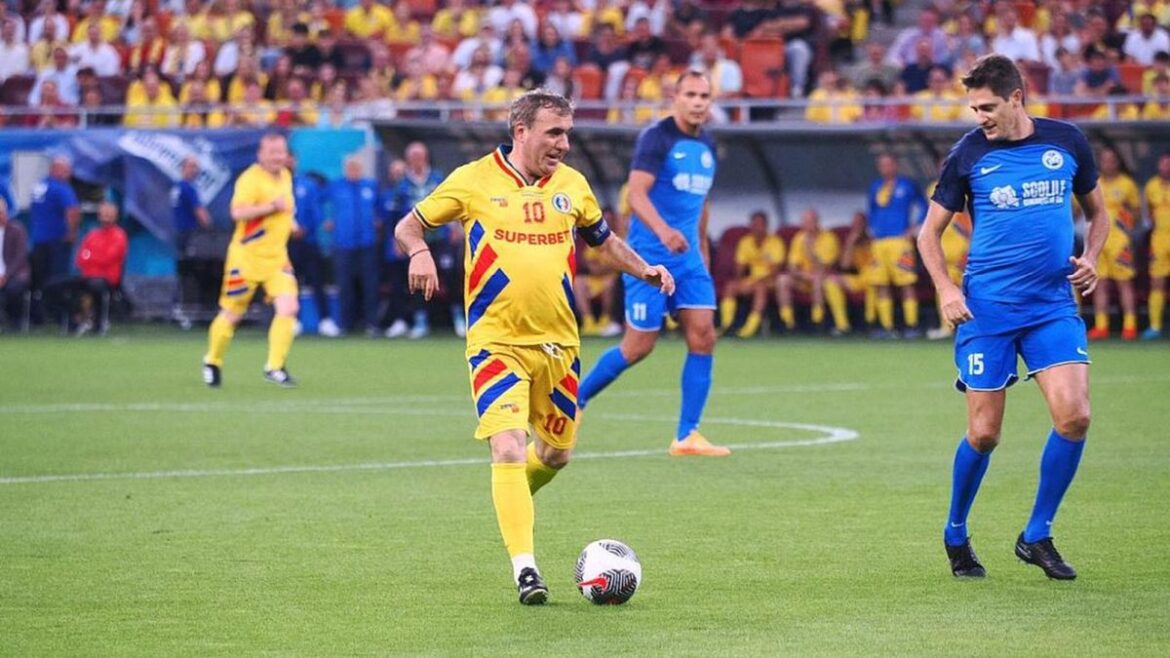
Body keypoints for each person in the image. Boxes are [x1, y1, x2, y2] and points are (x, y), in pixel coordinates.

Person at [393, 89, 674, 605]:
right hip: (496, 342)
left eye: (568, 133)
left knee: (555, 454)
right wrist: (419, 253)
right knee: (507, 446)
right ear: (521, 132)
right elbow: (409, 226)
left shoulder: (572, 185)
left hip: (560, 345)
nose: (564, 144)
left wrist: (644, 269)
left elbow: (603, 240)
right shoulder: (473, 180)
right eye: (554, 133)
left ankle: (509, 497)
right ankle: (526, 569)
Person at [918, 54, 1107, 581]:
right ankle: (956, 531)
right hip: (987, 311)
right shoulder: (968, 154)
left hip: (1051, 306)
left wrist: (1092, 256)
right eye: (974, 108)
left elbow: (1099, 212)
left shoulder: (1066, 141)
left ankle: (1037, 534)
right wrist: (946, 288)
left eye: (988, 107)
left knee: (1075, 417)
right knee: (984, 434)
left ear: (1017, 97)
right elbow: (929, 234)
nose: (979, 116)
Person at [577, 71, 730, 457]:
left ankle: (687, 435)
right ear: (675, 97)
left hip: (688, 260)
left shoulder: (708, 143)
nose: (697, 102)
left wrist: (702, 250)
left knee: (704, 335)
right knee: (638, 347)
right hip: (649, 260)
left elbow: (702, 203)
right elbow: (636, 195)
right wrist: (664, 232)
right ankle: (574, 401)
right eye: (690, 94)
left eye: (704, 96)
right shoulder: (656, 138)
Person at [202, 133, 299, 388]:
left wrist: (291, 223)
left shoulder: (285, 176)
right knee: (232, 314)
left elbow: (284, 209)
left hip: (277, 259)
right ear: (261, 155)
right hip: (245, 259)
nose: (278, 157)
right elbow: (237, 212)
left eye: (281, 152)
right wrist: (271, 207)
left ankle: (274, 367)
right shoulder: (250, 179)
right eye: (272, 152)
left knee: (289, 307)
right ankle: (212, 360)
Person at [863, 153, 927, 338]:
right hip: (879, 242)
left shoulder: (907, 185)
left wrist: (915, 227)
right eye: (882, 165)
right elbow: (871, 210)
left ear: (896, 165)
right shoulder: (875, 186)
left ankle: (911, 325)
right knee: (881, 283)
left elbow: (924, 206)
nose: (885, 168)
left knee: (906, 283)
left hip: (900, 241)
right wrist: (871, 228)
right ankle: (887, 327)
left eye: (889, 164)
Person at [324, 155, 380, 336]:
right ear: (345, 169)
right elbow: (319, 203)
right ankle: (345, 324)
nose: (353, 171)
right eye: (350, 168)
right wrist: (326, 220)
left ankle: (372, 323)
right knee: (344, 285)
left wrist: (378, 220)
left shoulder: (370, 186)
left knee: (370, 285)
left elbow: (381, 208)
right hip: (343, 244)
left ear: (361, 169)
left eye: (356, 168)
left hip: (367, 243)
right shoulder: (336, 186)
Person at [1087, 147, 1139, 341]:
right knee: (1099, 283)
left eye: (1112, 160)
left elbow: (1137, 212)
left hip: (1119, 242)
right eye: (1105, 160)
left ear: (1118, 162)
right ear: (1100, 162)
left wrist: (1124, 225)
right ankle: (1101, 326)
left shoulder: (1127, 184)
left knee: (1124, 283)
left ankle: (1130, 326)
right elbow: (1077, 209)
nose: (1109, 164)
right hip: (1097, 241)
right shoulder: (1093, 182)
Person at [288, 153, 339, 337]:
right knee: (290, 283)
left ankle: (325, 320)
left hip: (309, 241)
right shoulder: (275, 185)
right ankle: (293, 321)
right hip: (286, 242)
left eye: (291, 159)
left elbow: (316, 213)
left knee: (317, 280)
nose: (288, 162)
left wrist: (305, 229)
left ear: (295, 161)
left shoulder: (307, 184)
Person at [782, 208, 852, 336]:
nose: (807, 225)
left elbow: (825, 268)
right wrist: (801, 274)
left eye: (810, 222)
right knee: (782, 280)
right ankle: (788, 323)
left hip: (822, 278)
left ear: (817, 222)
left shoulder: (829, 238)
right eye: (804, 222)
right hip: (803, 278)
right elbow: (792, 266)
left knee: (818, 279)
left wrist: (810, 252)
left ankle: (818, 321)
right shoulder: (799, 238)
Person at [719, 210, 786, 337]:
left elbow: (776, 270)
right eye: (754, 225)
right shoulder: (745, 242)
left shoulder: (775, 242)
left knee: (760, 287)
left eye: (760, 225)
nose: (757, 228)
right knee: (730, 286)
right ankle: (726, 324)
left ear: (766, 226)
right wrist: (740, 279)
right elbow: (740, 268)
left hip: (771, 281)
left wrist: (760, 279)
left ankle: (751, 327)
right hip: (752, 279)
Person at [29, 155, 80, 321]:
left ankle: (40, 315)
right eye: (66, 170)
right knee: (59, 279)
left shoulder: (39, 185)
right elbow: (72, 211)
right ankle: (59, 315)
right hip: (57, 240)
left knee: (40, 280)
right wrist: (71, 233)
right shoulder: (62, 188)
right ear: (55, 169)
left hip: (38, 240)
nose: (69, 174)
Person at [72, 200, 128, 335]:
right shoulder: (92, 235)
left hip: (108, 279)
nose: (106, 217)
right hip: (88, 276)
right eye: (104, 214)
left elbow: (108, 258)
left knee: (95, 285)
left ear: (115, 216)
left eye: (109, 214)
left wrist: (91, 257)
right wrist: (93, 258)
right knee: (60, 285)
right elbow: (80, 259)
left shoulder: (119, 236)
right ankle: (74, 321)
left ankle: (98, 321)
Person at [1143, 152, 1170, 340]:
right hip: (1159, 240)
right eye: (1164, 164)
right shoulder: (1151, 186)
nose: (1166, 167)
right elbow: (1147, 215)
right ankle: (1155, 326)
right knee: (1157, 282)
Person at [0, 197, 31, 331]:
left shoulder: (17, 230)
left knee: (14, 288)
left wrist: (5, 276)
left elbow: (20, 257)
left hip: (14, 273)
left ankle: (15, 322)